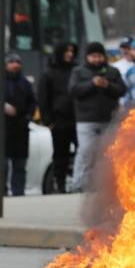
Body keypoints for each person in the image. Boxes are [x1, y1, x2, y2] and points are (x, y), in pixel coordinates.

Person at [68, 42, 126, 192]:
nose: (97, 59)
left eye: (99, 55)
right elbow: (74, 90)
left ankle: (107, 184)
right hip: (86, 120)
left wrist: (107, 85)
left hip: (109, 119)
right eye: (93, 56)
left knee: (109, 153)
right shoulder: (79, 72)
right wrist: (92, 84)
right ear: (88, 57)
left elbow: (121, 89)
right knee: (86, 151)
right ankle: (79, 183)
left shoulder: (112, 72)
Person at [0, 53, 37, 196]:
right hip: (4, 127)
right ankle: (1, 192)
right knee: (2, 163)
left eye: (17, 62)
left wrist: (28, 117)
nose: (15, 65)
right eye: (11, 62)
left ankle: (18, 192)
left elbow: (32, 102)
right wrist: (2, 106)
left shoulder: (24, 82)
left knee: (20, 164)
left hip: (21, 128)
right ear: (6, 65)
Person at [37, 42, 78, 193]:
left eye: (72, 51)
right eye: (67, 51)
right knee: (60, 154)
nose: (70, 54)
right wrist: (48, 121)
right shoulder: (49, 73)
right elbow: (43, 97)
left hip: (77, 119)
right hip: (59, 121)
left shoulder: (76, 69)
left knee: (83, 151)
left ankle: (79, 182)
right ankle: (60, 185)